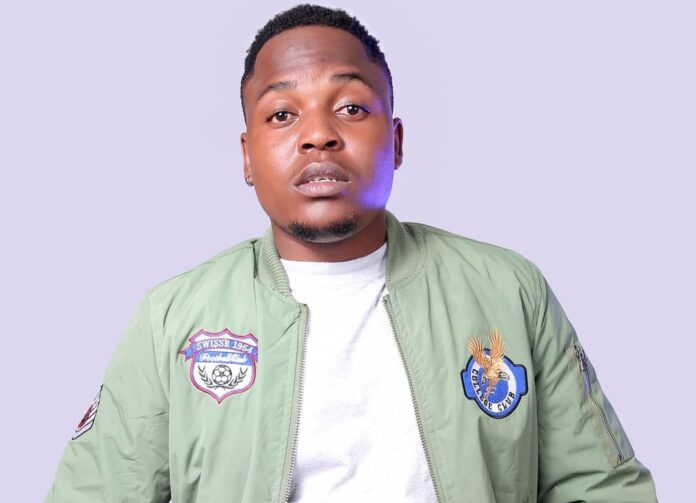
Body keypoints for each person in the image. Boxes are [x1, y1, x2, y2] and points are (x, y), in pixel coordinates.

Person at [45, 3, 658, 502]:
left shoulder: (508, 291)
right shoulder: (172, 318)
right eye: (282, 114)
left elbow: (603, 490)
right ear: (247, 157)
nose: (318, 134)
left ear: (395, 141)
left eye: (352, 108)